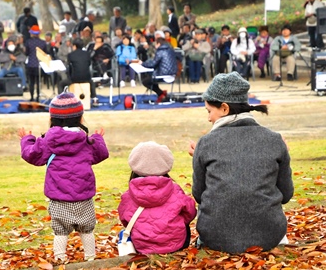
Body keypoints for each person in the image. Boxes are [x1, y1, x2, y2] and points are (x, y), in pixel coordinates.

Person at [189, 72, 293, 253]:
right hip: (269, 235)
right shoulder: (275, 140)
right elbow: (286, 194)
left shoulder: (205, 143)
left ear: (224, 108)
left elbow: (199, 195)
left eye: (209, 111)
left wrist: (201, 157)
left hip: (215, 236)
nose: (208, 118)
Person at [19, 92, 109, 262]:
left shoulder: (47, 142)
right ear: (81, 118)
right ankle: (90, 258)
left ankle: (60, 259)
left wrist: (26, 139)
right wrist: (98, 138)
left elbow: (32, 156)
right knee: (87, 229)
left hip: (59, 197)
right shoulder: (86, 142)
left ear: (52, 119)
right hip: (83, 197)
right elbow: (101, 154)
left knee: (60, 230)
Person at [118, 142, 196, 254]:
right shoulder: (175, 190)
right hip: (176, 244)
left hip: (142, 246)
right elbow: (190, 212)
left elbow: (125, 219)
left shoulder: (128, 196)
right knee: (183, 223)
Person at [140, 31, 180, 102]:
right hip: (173, 74)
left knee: (145, 81)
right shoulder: (171, 49)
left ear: (159, 44)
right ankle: (161, 94)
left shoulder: (160, 51)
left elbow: (153, 64)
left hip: (163, 74)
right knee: (151, 78)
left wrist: (142, 63)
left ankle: (160, 93)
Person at [24, 25, 47, 102]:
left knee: (31, 81)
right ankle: (38, 96)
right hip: (39, 65)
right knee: (38, 81)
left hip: (31, 64)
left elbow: (26, 53)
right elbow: (45, 53)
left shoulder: (28, 42)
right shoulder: (43, 43)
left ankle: (31, 97)